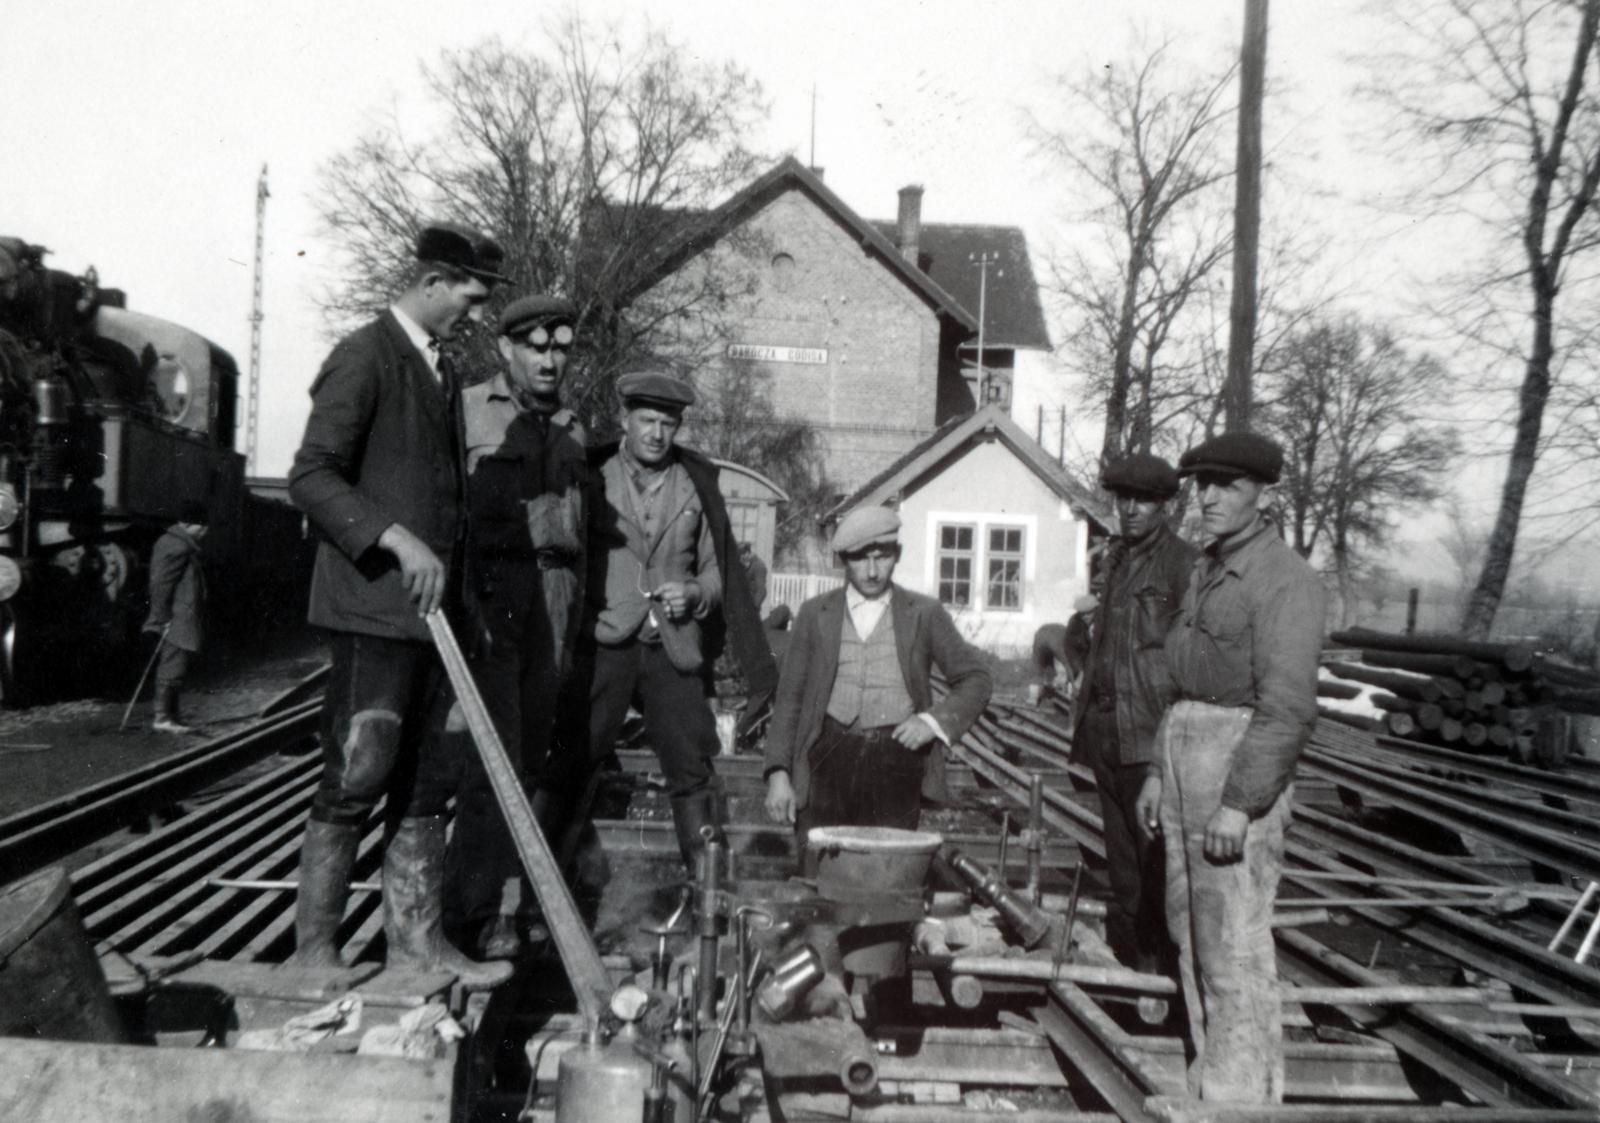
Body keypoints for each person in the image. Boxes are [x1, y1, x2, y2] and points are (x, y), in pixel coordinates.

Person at [287, 220, 512, 988]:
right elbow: (312, 477)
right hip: (372, 611)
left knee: (423, 782)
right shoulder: (364, 357)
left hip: (430, 621)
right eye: (470, 298)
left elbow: (445, 498)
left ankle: (417, 946)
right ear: (432, 283)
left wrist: (463, 592)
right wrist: (395, 539)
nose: (477, 315)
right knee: (357, 772)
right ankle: (316, 951)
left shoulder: (439, 370)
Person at [1133, 432, 1326, 1104]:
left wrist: (1240, 803)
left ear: (1261, 493)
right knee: (1191, 929)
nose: (1208, 496)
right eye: (1201, 483)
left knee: (1232, 938)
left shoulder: (1286, 582)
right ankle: (1214, 1075)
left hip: (1235, 760)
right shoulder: (1206, 570)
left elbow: (1287, 710)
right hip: (1189, 749)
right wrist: (1160, 769)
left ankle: (1242, 1094)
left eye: (1226, 484)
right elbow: (1179, 684)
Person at [572, 372, 776, 871]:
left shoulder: (695, 483)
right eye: (647, 421)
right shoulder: (590, 473)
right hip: (606, 639)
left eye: (668, 423)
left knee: (693, 771)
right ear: (624, 419)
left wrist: (694, 594)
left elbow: (718, 571)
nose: (657, 434)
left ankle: (710, 895)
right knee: (573, 763)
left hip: (672, 646)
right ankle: (541, 895)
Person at [444, 295, 588, 960]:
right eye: (536, 345)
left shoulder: (572, 428)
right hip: (495, 592)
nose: (549, 359)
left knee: (533, 755)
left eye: (559, 347)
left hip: (554, 598)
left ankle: (512, 901)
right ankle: (472, 913)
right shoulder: (468, 409)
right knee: (490, 758)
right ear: (507, 350)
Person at [763, 506, 992, 834]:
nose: (872, 571)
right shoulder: (815, 614)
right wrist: (778, 773)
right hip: (827, 758)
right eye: (860, 559)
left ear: (897, 555)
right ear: (844, 560)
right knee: (822, 866)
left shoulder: (924, 613)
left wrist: (933, 722)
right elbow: (789, 700)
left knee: (888, 868)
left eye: (882, 557)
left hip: (896, 763)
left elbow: (976, 679)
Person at [1071, 453, 1197, 991]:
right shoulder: (1115, 562)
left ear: (1165, 505)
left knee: (1157, 868)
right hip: (1105, 733)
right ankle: (1131, 977)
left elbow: (1187, 662)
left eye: (1142, 500)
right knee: (1122, 867)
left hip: (1148, 739)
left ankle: (1163, 977)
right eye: (1123, 499)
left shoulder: (1183, 565)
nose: (1130, 509)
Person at [143, 500, 210, 734]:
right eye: (201, 527)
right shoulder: (176, 547)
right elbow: (161, 585)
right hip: (176, 615)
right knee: (173, 664)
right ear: (188, 525)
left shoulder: (180, 544)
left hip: (181, 614)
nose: (204, 532)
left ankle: (172, 715)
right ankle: (162, 717)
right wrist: (161, 617)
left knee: (177, 664)